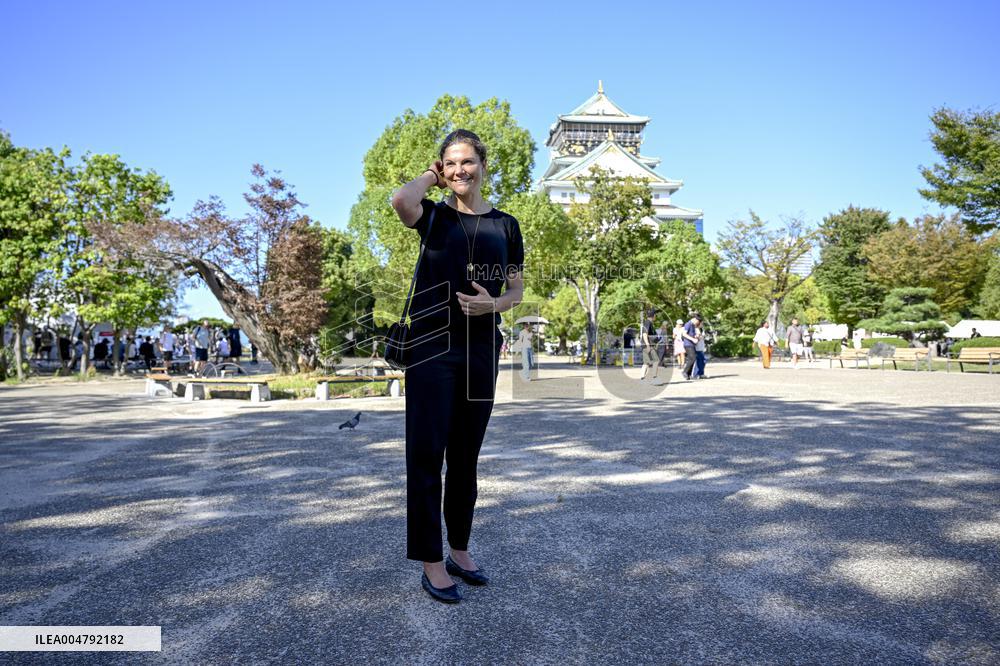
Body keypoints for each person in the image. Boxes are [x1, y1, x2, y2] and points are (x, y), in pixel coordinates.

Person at [390, 129, 524, 604]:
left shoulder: (507, 225)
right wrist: (431, 176)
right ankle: (431, 561)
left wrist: (494, 305)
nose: (459, 170)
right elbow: (400, 200)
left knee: (466, 456)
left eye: (467, 161)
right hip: (431, 348)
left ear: (483, 165)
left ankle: (459, 550)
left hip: (481, 349)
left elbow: (515, 291)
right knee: (427, 455)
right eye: (450, 163)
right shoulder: (432, 216)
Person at [639, 310, 660, 383]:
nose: (656, 316)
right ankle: (654, 378)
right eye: (655, 315)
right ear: (653, 316)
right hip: (648, 345)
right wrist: (648, 345)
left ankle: (642, 378)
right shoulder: (648, 323)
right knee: (656, 360)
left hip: (646, 345)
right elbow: (645, 334)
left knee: (646, 362)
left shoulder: (647, 322)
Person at [681, 312, 701, 380]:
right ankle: (685, 371)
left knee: (692, 359)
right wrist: (693, 339)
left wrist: (696, 336)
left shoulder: (692, 325)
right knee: (693, 358)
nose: (698, 323)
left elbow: (691, 334)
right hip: (688, 344)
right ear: (695, 319)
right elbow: (684, 334)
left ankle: (688, 374)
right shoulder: (688, 324)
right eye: (698, 321)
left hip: (691, 344)